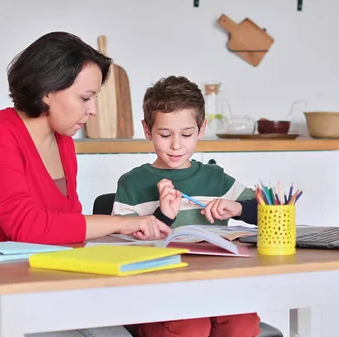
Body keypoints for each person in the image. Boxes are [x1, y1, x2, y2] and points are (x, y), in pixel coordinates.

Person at [0, 31, 172, 337]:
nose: (93, 110)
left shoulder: (64, 142)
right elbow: (26, 227)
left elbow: (67, 227)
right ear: (48, 90)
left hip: (41, 293)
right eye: (85, 98)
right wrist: (122, 224)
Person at [112, 76, 261, 337]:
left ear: (201, 129)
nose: (176, 145)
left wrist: (237, 208)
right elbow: (117, 252)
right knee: (190, 326)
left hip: (215, 287)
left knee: (242, 322)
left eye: (187, 134)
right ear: (147, 130)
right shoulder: (131, 184)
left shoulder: (217, 179)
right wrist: (163, 217)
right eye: (165, 134)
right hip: (158, 293)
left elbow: (266, 210)